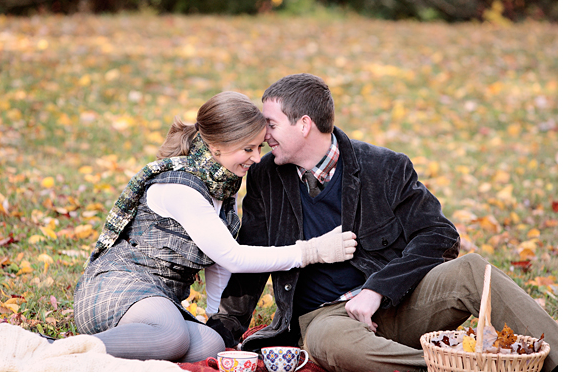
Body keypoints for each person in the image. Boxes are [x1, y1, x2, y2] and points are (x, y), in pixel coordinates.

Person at [206, 74, 558, 372]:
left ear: (304, 124)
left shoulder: (384, 167)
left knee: (472, 270)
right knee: (330, 341)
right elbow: (250, 257)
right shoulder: (267, 176)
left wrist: (378, 289)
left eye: (271, 124)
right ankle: (455, 367)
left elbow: (440, 235)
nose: (264, 135)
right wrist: (224, 332)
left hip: (398, 304)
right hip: (328, 319)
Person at [73, 91, 356, 363]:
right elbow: (231, 256)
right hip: (116, 288)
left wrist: (217, 321)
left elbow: (216, 264)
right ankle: (61, 352)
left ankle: (119, 351)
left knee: (211, 345)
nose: (258, 158)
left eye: (259, 147)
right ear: (217, 146)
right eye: (248, 149)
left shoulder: (222, 185)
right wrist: (312, 251)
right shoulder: (180, 186)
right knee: (172, 335)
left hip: (160, 300)